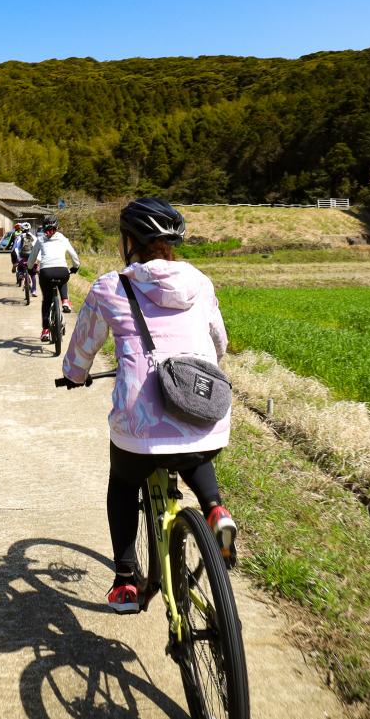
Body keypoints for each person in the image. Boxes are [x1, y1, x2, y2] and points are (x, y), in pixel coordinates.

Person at [59, 197, 236, 613]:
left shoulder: (110, 286)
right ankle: (215, 510)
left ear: (128, 241)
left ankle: (124, 579)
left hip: (140, 430)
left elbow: (82, 352)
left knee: (123, 481)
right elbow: (220, 344)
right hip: (206, 410)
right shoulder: (202, 283)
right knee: (191, 445)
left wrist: (74, 375)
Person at [26, 217, 80, 341]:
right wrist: (75, 267)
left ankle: (45, 330)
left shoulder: (40, 239)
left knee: (46, 301)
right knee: (64, 278)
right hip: (62, 271)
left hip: (46, 273)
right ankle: (65, 301)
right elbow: (74, 255)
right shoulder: (63, 239)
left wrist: (30, 269)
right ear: (57, 228)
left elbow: (32, 258)